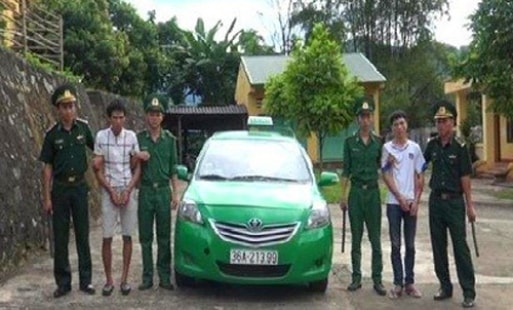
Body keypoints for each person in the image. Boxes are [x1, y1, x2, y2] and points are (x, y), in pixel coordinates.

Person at [39, 84, 96, 298]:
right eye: (64, 106)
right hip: (60, 189)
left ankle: (86, 280)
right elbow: (47, 168)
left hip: (80, 187)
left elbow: (98, 149)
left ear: (75, 107)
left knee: (83, 234)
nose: (68, 110)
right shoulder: (52, 135)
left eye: (71, 106)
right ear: (58, 109)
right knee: (61, 237)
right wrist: (46, 197)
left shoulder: (83, 129)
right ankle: (63, 283)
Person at [424, 100, 477, 308]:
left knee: (460, 247)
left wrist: (470, 205)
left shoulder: (460, 148)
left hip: (454, 203)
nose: (441, 125)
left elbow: (465, 177)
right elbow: (420, 164)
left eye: (444, 121)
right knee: (438, 246)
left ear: (453, 123)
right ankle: (445, 286)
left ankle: (469, 291)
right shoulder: (432, 145)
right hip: (436, 202)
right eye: (438, 122)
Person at [92, 99, 141, 296]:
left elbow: (137, 167)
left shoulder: (131, 137)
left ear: (125, 118)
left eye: (121, 117)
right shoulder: (101, 137)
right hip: (108, 189)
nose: (118, 121)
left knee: (128, 235)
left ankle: (124, 279)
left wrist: (128, 189)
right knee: (107, 237)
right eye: (115, 117)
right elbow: (97, 168)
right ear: (108, 118)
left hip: (128, 188)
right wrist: (111, 191)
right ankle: (109, 280)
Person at [339, 98, 386, 296]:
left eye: (368, 116)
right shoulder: (350, 143)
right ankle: (356, 277)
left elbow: (383, 167)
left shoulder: (379, 142)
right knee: (356, 237)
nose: (365, 120)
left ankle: (378, 279)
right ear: (357, 119)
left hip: (373, 193)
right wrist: (343, 196)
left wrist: (391, 163)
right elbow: (346, 172)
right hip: (356, 193)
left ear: (372, 119)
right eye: (362, 117)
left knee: (375, 238)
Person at [134, 96, 180, 291]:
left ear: (162, 117)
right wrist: (137, 156)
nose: (154, 118)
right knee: (145, 237)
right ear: (146, 116)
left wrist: (175, 194)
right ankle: (147, 277)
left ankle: (164, 276)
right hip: (145, 190)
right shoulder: (139, 139)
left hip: (162, 191)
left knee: (164, 236)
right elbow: (132, 167)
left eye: (157, 114)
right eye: (151, 114)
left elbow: (174, 170)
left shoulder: (169, 140)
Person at [381, 110, 425, 299]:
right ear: (392, 128)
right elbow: (385, 174)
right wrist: (399, 197)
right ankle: (398, 283)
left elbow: (420, 176)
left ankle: (410, 282)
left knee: (411, 245)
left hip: (411, 203)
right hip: (394, 203)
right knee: (395, 244)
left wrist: (416, 200)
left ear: (406, 125)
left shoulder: (414, 148)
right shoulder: (387, 148)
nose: (399, 127)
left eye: (402, 123)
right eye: (395, 124)